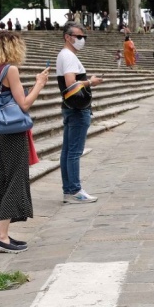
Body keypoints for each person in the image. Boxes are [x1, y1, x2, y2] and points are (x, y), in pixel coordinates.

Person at [0, 32, 51, 252]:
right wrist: (39, 84)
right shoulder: (10, 69)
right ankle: (1, 235)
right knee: (16, 179)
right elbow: (24, 104)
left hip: (1, 130)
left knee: (2, 179)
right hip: (13, 131)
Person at [57, 22, 103, 203]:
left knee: (68, 150)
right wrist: (90, 82)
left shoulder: (65, 55)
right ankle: (74, 190)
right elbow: (70, 82)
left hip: (71, 107)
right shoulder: (68, 56)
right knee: (74, 151)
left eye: (83, 37)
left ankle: (69, 190)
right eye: (78, 37)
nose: (82, 40)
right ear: (68, 37)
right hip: (77, 109)